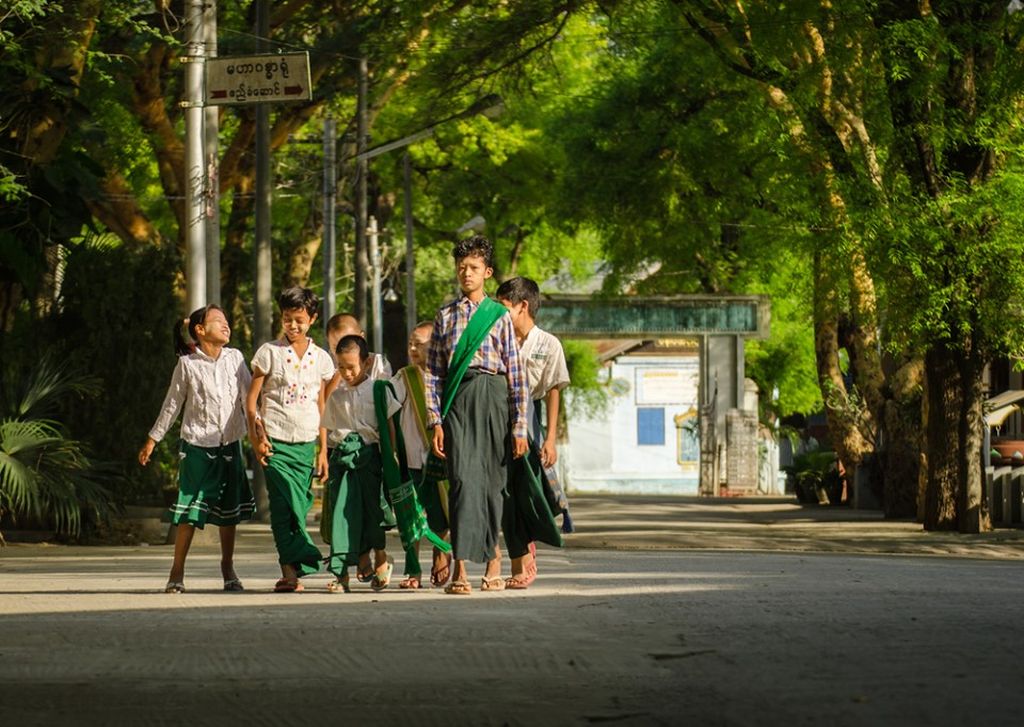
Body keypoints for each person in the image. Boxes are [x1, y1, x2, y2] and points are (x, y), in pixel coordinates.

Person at [425, 234, 529, 595]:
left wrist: (519, 426)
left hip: (494, 397)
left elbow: (516, 372)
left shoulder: (499, 316)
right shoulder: (445, 316)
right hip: (458, 400)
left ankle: (493, 560)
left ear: (487, 272)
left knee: (492, 484)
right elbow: (433, 373)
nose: (466, 273)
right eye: (461, 268)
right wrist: (434, 420)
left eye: (473, 268)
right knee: (462, 483)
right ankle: (460, 569)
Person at [139, 305, 255, 594]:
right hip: (196, 447)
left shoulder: (236, 358)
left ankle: (228, 567)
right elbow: (172, 405)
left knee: (229, 512)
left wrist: (259, 432)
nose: (226, 325)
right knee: (189, 511)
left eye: (227, 321)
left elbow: (248, 398)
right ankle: (177, 571)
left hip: (229, 444)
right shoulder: (187, 364)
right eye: (218, 322)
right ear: (200, 331)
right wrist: (153, 439)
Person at [247, 287, 336, 593]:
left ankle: (294, 568)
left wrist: (323, 449)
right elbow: (251, 402)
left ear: (312, 319)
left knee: (299, 505)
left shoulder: (322, 359)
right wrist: (255, 438)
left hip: (306, 443)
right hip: (275, 443)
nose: (293, 325)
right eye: (287, 319)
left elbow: (323, 406)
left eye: (299, 319)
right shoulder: (268, 353)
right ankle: (290, 573)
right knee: (283, 506)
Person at [496, 276, 572, 589]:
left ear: (522, 306)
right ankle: (515, 561)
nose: (499, 315)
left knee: (529, 490)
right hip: (499, 417)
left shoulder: (548, 344)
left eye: (503, 307)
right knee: (505, 494)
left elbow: (554, 390)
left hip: (532, 421)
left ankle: (527, 553)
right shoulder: (496, 339)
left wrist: (550, 438)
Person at [320, 334, 396, 592]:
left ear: (365, 363)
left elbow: (388, 428)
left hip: (370, 459)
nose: (346, 373)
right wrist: (325, 460)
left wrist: (392, 459)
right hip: (343, 460)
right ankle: (341, 574)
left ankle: (382, 560)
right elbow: (329, 432)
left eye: (351, 367)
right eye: (341, 367)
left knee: (373, 514)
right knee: (343, 515)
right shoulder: (337, 395)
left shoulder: (378, 389)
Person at [388, 321, 451, 589]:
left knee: (441, 514)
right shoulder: (404, 377)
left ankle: (440, 552)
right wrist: (392, 451)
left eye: (419, 344)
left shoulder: (448, 377)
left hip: (440, 459)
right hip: (411, 459)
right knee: (411, 516)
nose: (413, 348)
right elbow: (387, 410)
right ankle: (412, 567)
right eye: (411, 343)